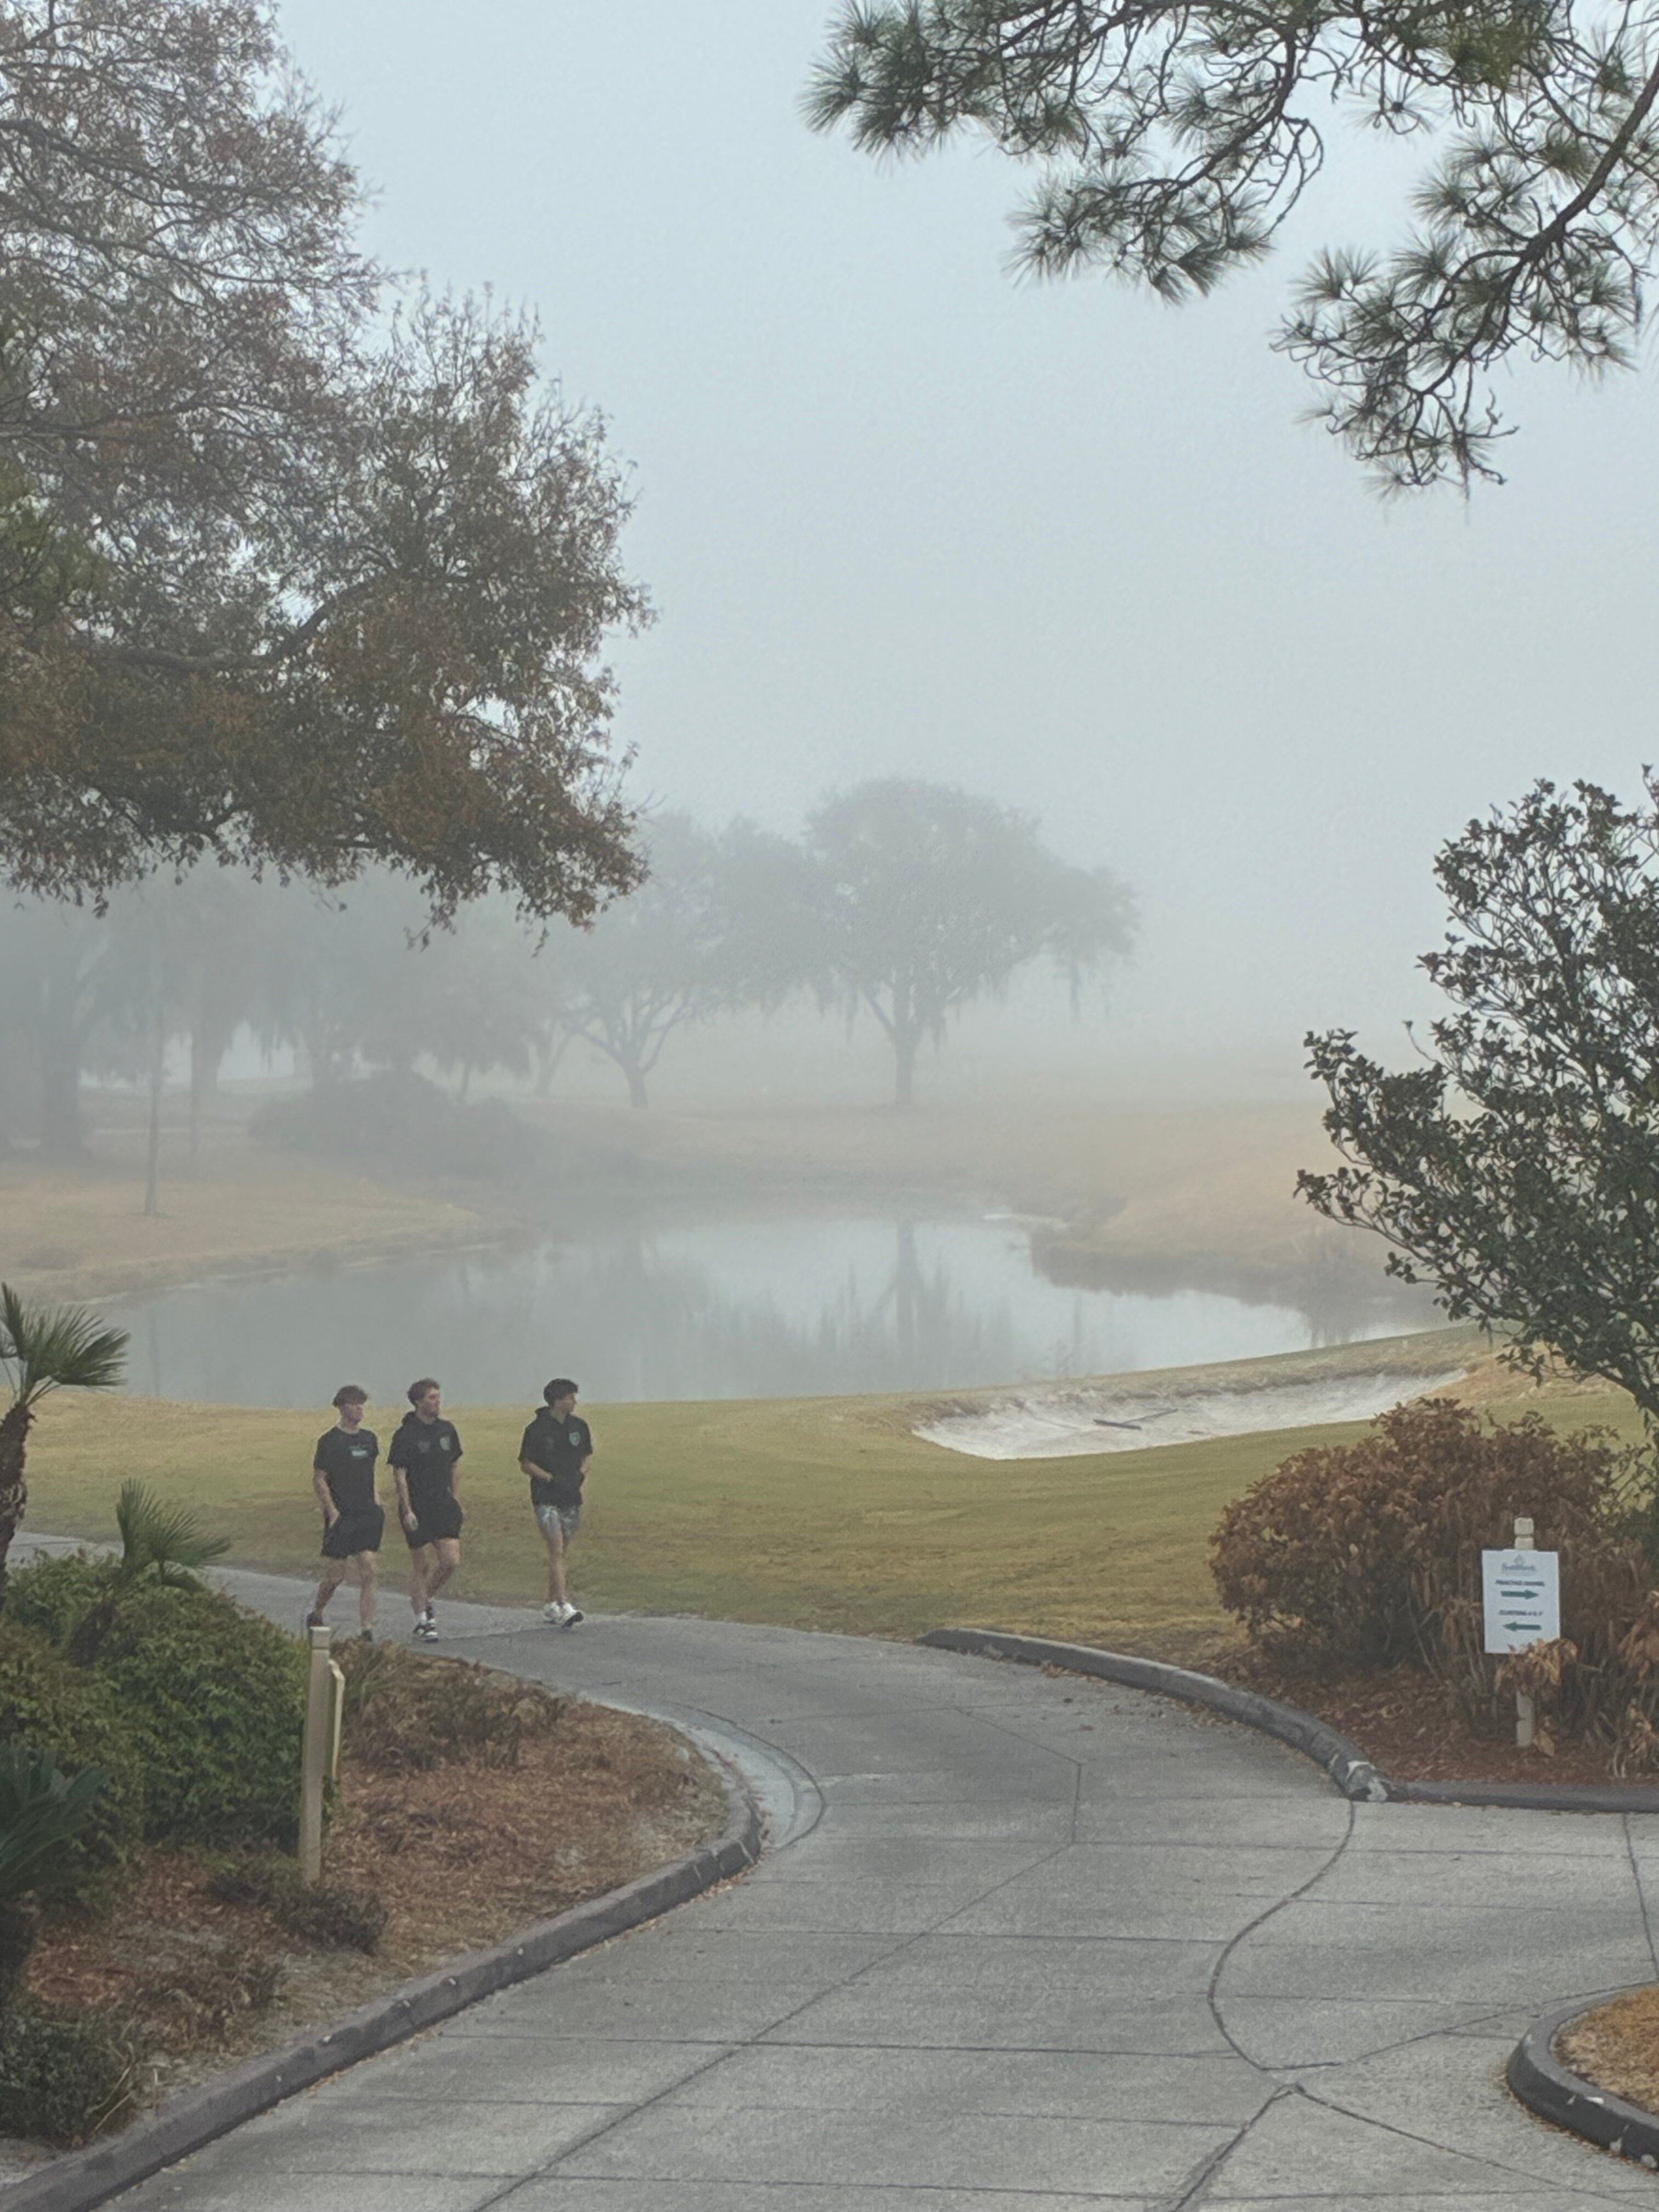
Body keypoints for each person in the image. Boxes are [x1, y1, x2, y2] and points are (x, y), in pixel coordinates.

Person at [388, 1377, 464, 1641]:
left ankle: (427, 1596)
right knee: (421, 1564)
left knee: (450, 1560)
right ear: (419, 1402)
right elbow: (400, 1474)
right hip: (417, 1506)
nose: (437, 1402)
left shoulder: (447, 1430)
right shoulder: (406, 1434)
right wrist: (407, 1509)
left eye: (438, 1397)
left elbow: (454, 1465)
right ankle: (422, 1619)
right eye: (431, 1398)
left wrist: (454, 1498)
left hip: (442, 1504)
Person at [306, 1385, 383, 1638]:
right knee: (336, 1575)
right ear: (342, 1407)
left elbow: (370, 1474)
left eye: (362, 1404)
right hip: (342, 1514)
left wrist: (377, 1502)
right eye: (354, 1404)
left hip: (366, 1513)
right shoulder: (330, 1441)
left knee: (369, 1568)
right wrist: (331, 1510)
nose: (359, 1409)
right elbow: (320, 1478)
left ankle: (367, 1627)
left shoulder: (369, 1439)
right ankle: (317, 1611)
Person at [519, 1377, 591, 1627]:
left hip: (571, 1497)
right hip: (546, 1498)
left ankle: (550, 1603)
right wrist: (548, 1479)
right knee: (556, 1550)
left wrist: (580, 1476)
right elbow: (526, 1464)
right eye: (570, 1397)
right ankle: (564, 1604)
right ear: (557, 1401)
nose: (574, 1402)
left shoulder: (579, 1427)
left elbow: (587, 1456)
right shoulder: (537, 1430)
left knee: (561, 1553)